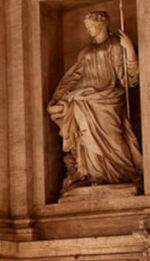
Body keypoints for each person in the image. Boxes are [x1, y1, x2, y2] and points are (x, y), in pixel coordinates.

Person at [47, 10, 142, 193]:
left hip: (108, 98)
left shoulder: (115, 45)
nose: (89, 30)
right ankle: (93, 174)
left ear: (103, 24)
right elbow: (73, 77)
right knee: (85, 137)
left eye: (92, 26)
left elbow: (128, 77)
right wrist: (58, 98)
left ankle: (123, 174)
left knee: (114, 137)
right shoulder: (86, 51)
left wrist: (129, 48)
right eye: (87, 27)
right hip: (82, 99)